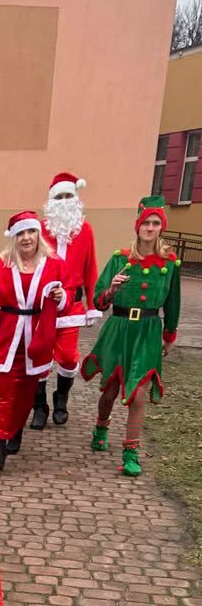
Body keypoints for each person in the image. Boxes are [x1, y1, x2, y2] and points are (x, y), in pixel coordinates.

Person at [82, 196, 181, 477]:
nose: (150, 228)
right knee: (110, 391)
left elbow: (173, 302)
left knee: (138, 394)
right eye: (146, 223)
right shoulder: (120, 259)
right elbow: (98, 300)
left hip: (148, 332)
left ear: (161, 227)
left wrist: (169, 335)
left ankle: (130, 453)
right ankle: (101, 426)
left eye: (155, 223)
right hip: (119, 329)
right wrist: (111, 290)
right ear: (138, 226)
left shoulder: (170, 264)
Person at [0, 211, 70, 471]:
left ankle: (15, 429)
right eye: (20, 234)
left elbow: (68, 293)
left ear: (39, 235)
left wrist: (61, 296)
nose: (26, 238)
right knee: (1, 394)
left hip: (36, 339)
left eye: (31, 232)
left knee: (26, 394)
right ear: (13, 238)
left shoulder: (55, 264)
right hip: (5, 338)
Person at [32, 172, 100, 429]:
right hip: (42, 307)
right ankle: (39, 406)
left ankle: (61, 399)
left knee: (69, 358)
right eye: (58, 197)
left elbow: (90, 268)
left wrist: (92, 305)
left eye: (67, 196)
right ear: (51, 201)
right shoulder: (39, 230)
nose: (63, 201)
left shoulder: (85, 230)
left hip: (71, 306)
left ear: (76, 198)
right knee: (39, 357)